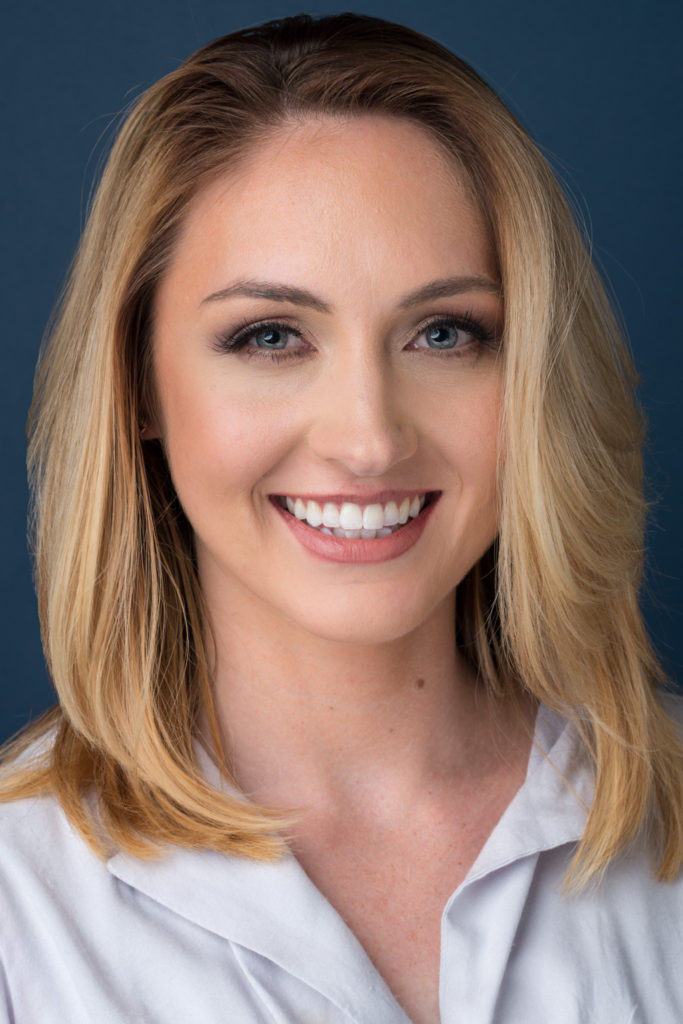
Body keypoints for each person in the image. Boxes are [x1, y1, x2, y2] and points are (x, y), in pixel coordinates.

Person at [1, 12, 681, 1023]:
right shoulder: (20, 906)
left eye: (443, 332)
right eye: (270, 335)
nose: (367, 439)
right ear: (137, 381)